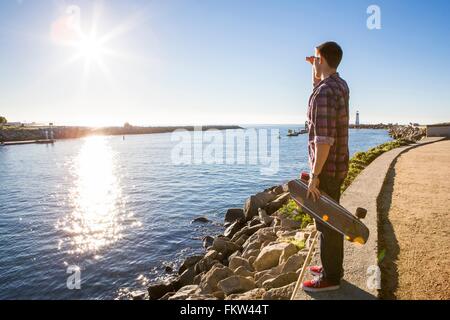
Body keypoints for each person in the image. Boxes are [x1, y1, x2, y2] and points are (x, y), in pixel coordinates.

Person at [303, 41, 350, 292]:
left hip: (327, 169)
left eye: (316, 57)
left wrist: (314, 175)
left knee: (327, 222)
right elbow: (318, 85)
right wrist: (316, 68)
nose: (314, 59)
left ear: (322, 59)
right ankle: (331, 266)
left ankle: (331, 278)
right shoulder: (339, 84)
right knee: (331, 220)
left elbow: (323, 139)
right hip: (339, 166)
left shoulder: (323, 93)